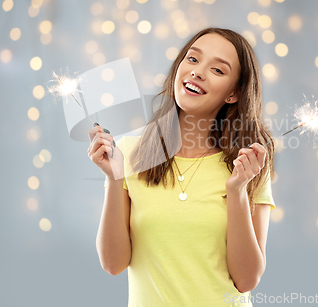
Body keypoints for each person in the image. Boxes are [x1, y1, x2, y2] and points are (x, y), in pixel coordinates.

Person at [87, 27, 276, 307]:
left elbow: (246, 280)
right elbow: (113, 264)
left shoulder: (246, 167)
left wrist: (237, 190)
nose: (197, 72)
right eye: (192, 59)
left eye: (218, 70)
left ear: (233, 94)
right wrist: (116, 178)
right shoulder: (128, 154)